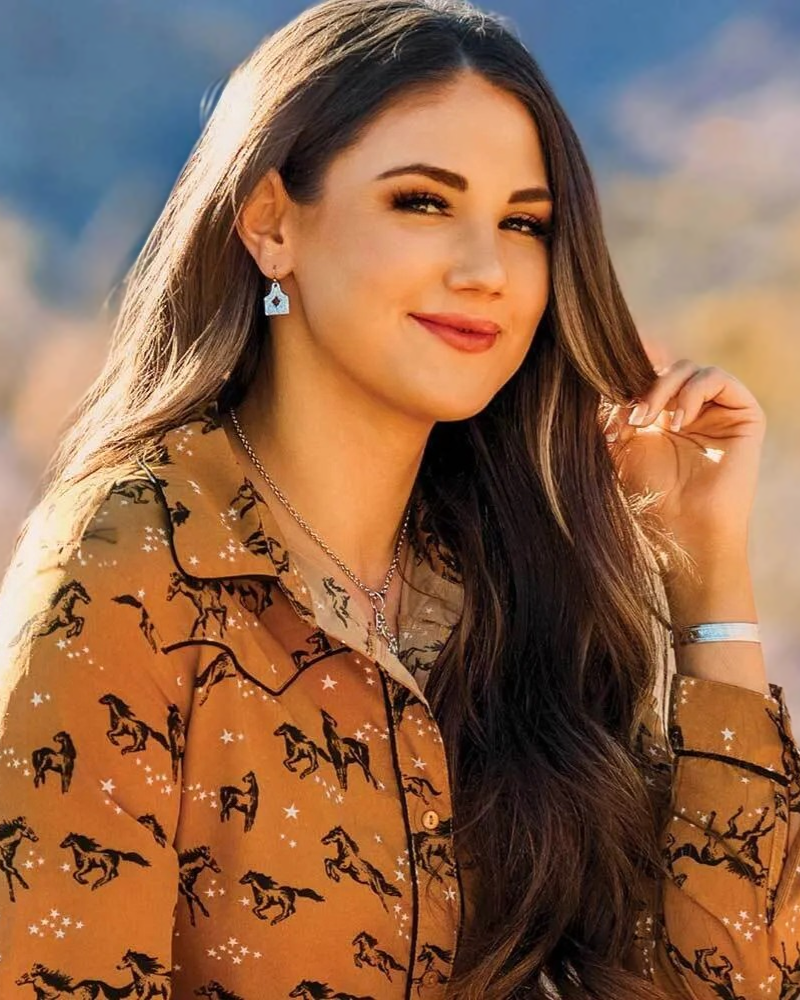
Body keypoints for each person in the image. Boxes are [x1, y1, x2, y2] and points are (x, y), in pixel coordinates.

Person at [1, 0, 798, 997]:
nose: (483, 271)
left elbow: (730, 983)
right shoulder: (133, 566)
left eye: (523, 223)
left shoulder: (510, 583)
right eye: (421, 201)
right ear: (271, 224)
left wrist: (702, 568)